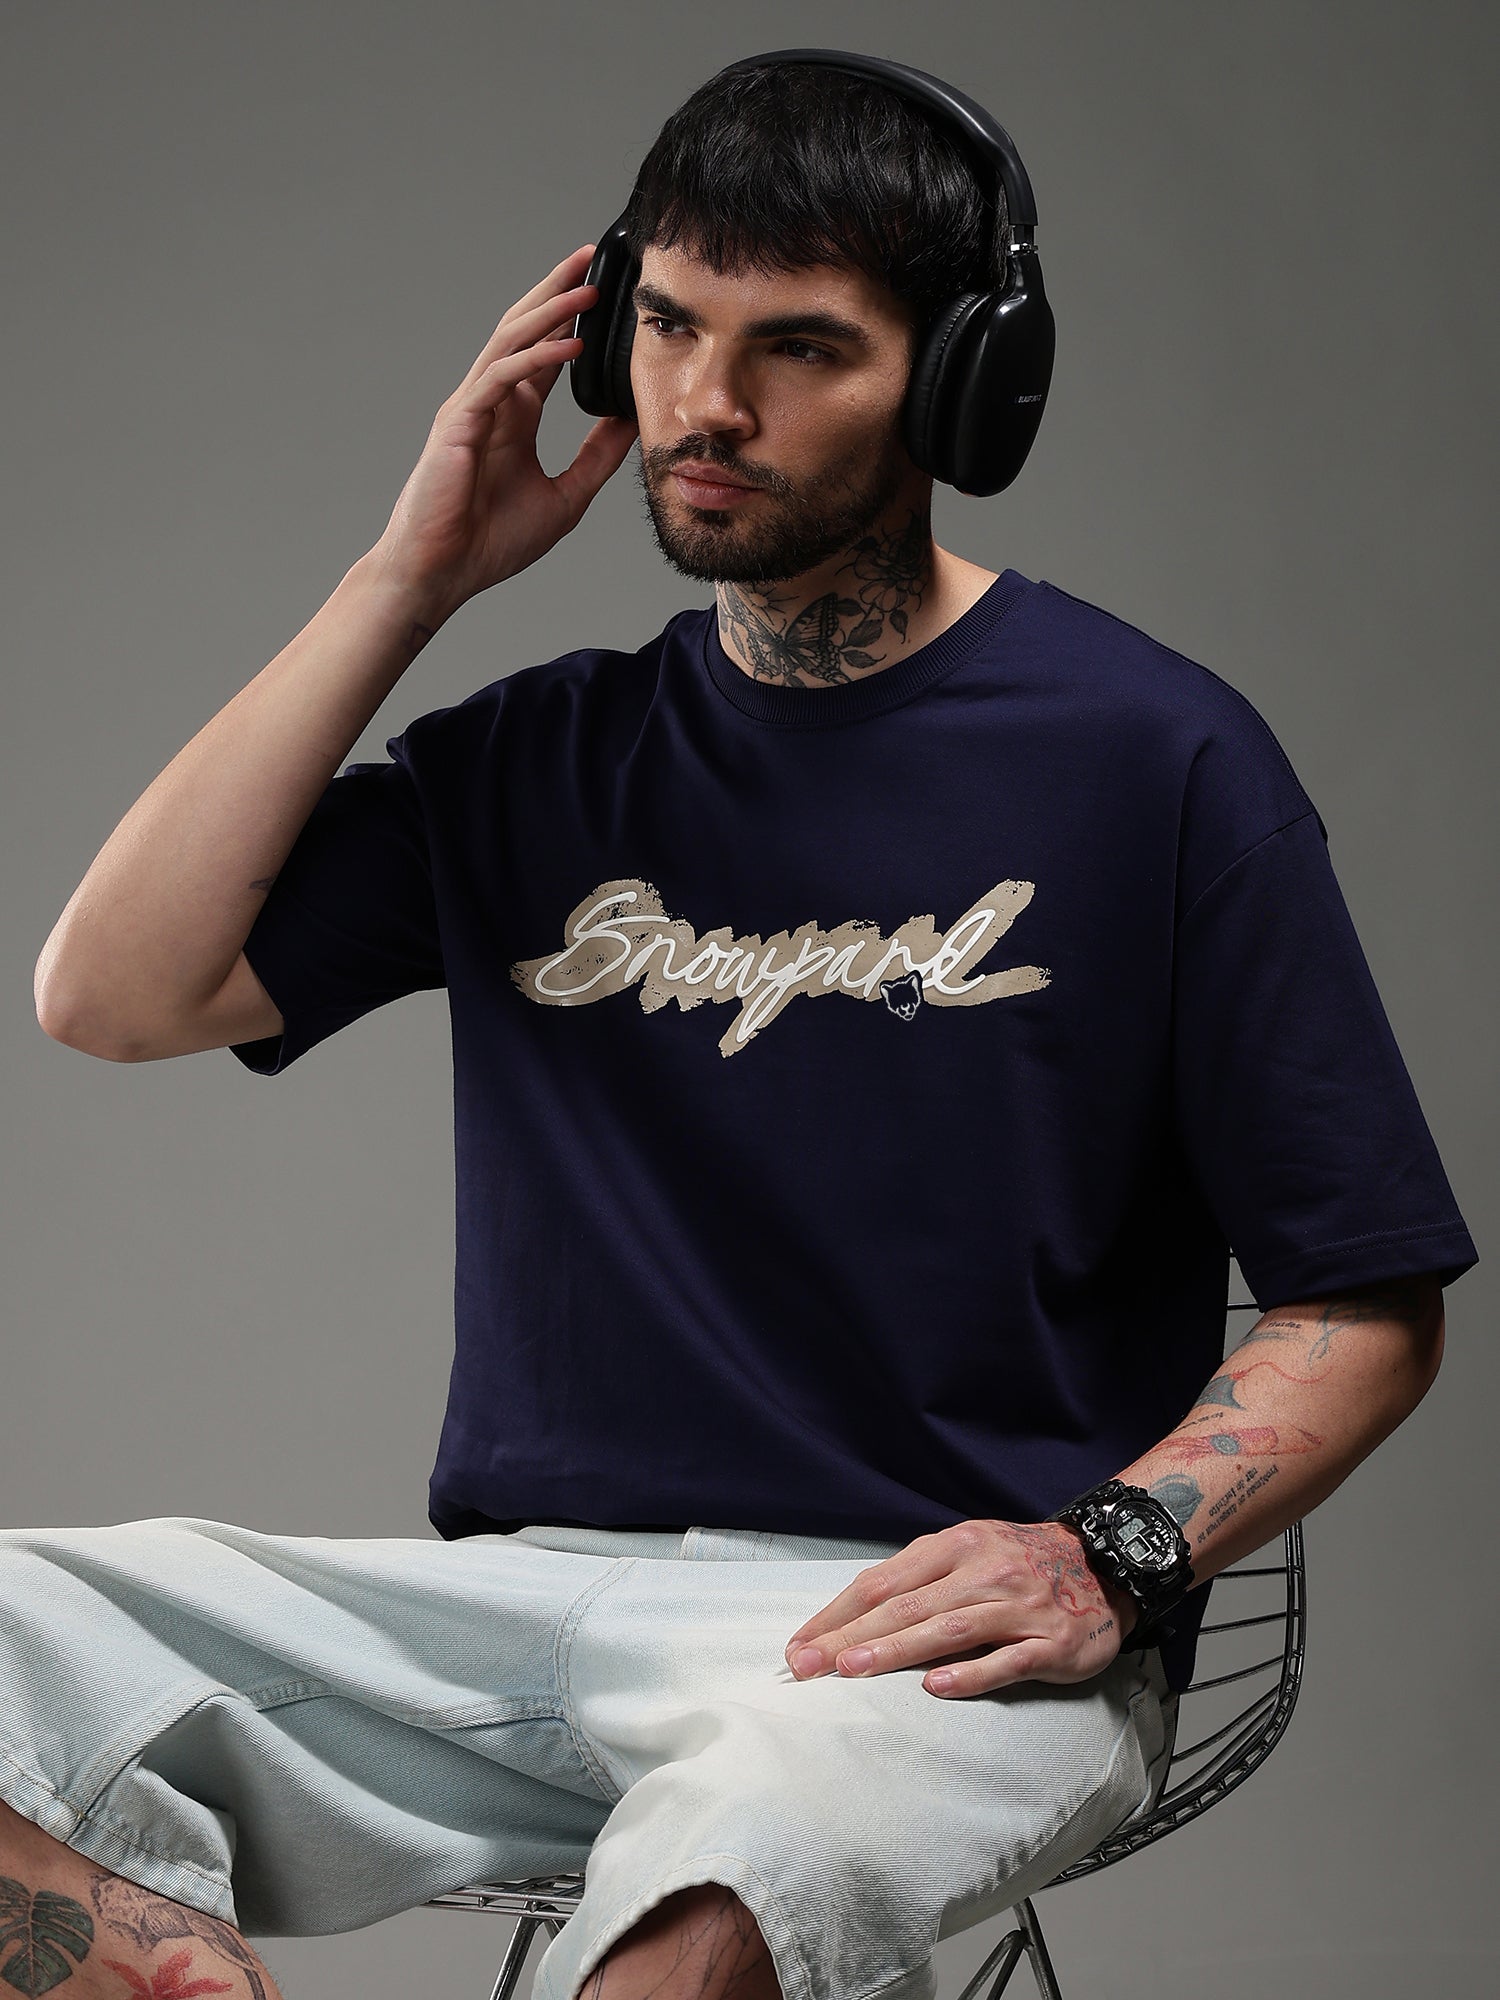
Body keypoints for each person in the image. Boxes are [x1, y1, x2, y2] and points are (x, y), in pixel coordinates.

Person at [13, 55, 1476, 2000]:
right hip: (512, 1614)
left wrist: (1110, 1555)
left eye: (799, 348)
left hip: (916, 1642)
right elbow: (112, 995)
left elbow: (1363, 1300)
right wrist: (412, 575)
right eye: (673, 326)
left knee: (712, 1916)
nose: (707, 403)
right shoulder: (539, 756)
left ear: (964, 385)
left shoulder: (1155, 760)